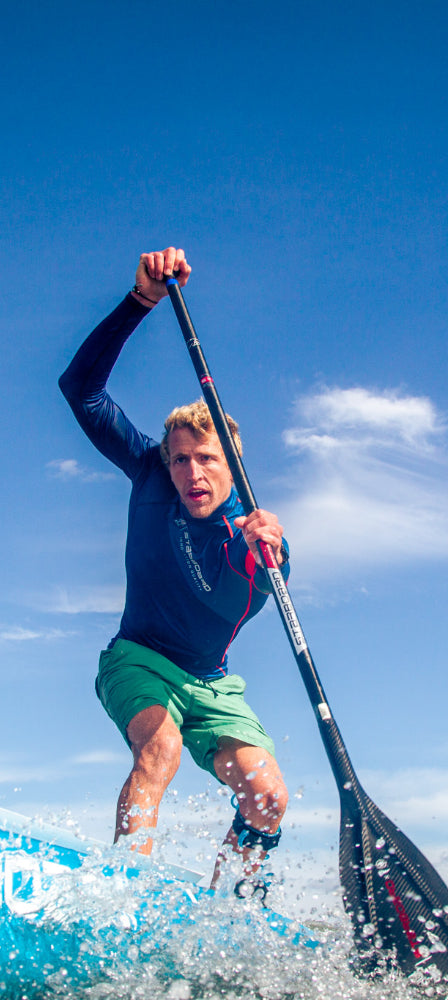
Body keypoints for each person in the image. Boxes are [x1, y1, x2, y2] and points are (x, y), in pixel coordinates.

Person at [59, 247, 289, 893]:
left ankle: (227, 914)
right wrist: (139, 302)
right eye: (181, 458)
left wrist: (261, 555)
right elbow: (79, 390)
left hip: (212, 684)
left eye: (206, 459)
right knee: (158, 750)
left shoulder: (255, 535)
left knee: (268, 797)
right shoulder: (149, 471)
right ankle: (122, 898)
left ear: (232, 464)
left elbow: (227, 606)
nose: (191, 472)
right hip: (138, 658)